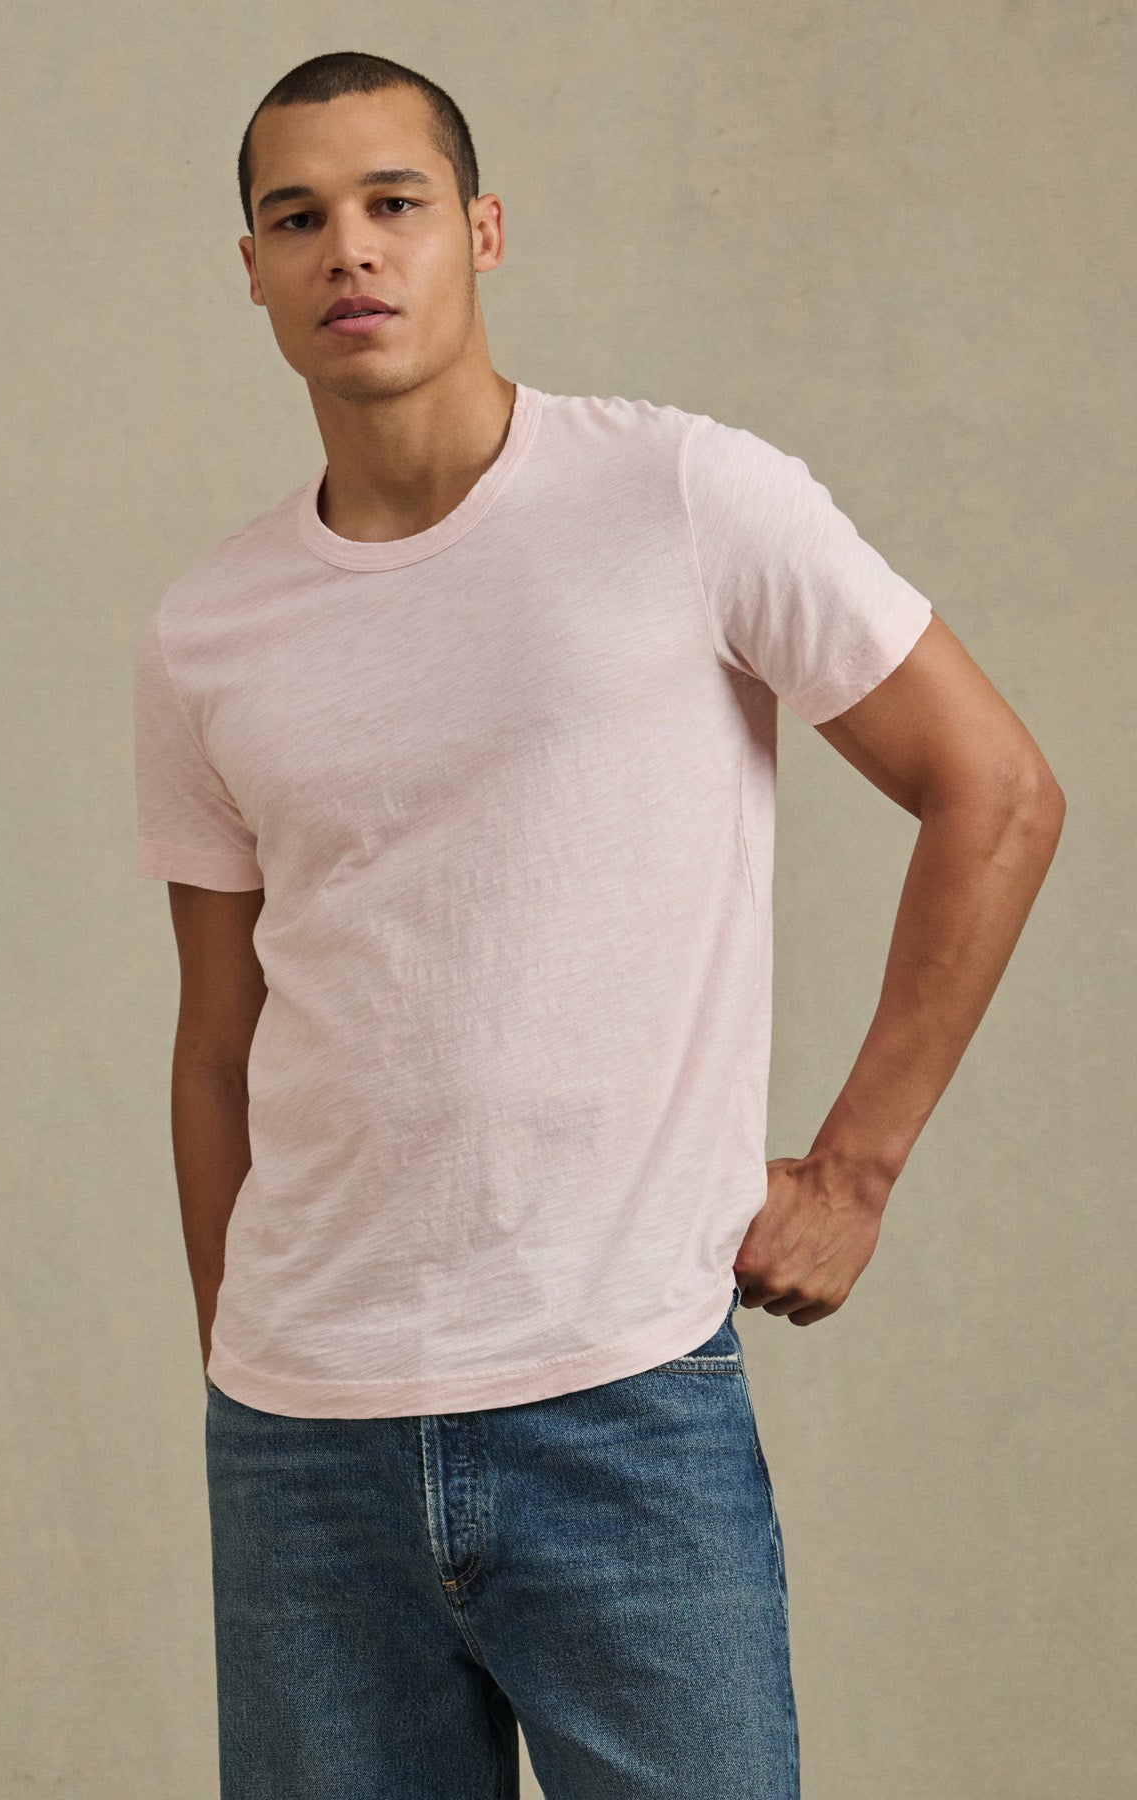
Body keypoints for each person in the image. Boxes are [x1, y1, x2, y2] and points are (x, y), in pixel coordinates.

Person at [131, 49, 1065, 1800]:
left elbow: (998, 793)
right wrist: (246, 1368)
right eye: (298, 216)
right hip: (300, 1454)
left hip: (621, 1404)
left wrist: (854, 1172)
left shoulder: (685, 498)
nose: (351, 248)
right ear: (249, 270)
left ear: (478, 230)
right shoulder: (207, 634)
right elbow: (216, 1042)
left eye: (395, 203)